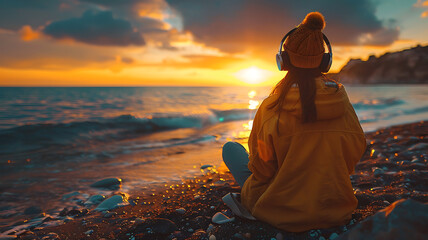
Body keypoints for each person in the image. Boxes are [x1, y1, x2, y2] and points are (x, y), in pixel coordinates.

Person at [222, 12, 366, 232]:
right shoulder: (342, 102)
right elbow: (354, 154)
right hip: (336, 209)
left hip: (279, 211)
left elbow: (262, 170)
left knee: (231, 149)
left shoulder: (272, 107)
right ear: (325, 61)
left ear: (283, 60)